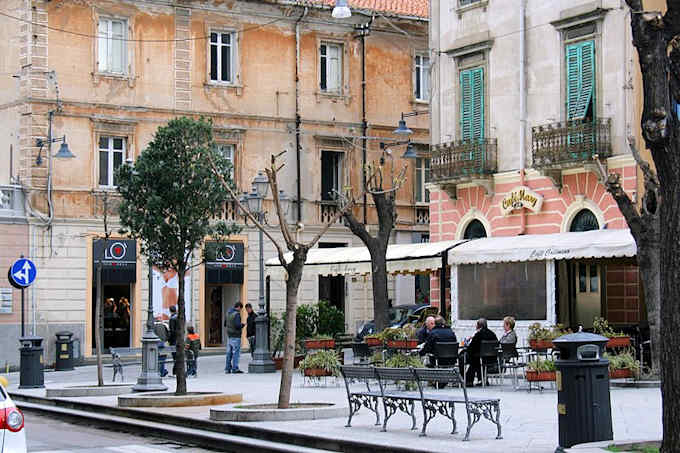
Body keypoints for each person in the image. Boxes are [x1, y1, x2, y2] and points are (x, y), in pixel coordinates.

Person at [460, 318, 498, 387]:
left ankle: (464, 379)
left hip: (479, 358)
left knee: (463, 357)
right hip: (491, 358)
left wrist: (465, 349)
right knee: (475, 360)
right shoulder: (493, 334)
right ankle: (482, 379)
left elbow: (471, 347)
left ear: (478, 326)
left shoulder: (478, 334)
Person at [225, 302, 245, 374]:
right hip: (236, 336)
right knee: (236, 353)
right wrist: (242, 325)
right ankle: (235, 368)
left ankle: (227, 368)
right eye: (241, 309)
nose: (240, 310)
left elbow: (225, 324)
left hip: (229, 335)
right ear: (239, 307)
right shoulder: (236, 314)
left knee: (229, 353)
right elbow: (237, 325)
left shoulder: (228, 313)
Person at [168, 305, 180, 376]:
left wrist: (169, 339)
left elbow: (172, 331)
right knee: (177, 356)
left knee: (175, 356)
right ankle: (177, 371)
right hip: (179, 339)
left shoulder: (172, 319)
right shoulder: (178, 317)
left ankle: (175, 372)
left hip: (174, 340)